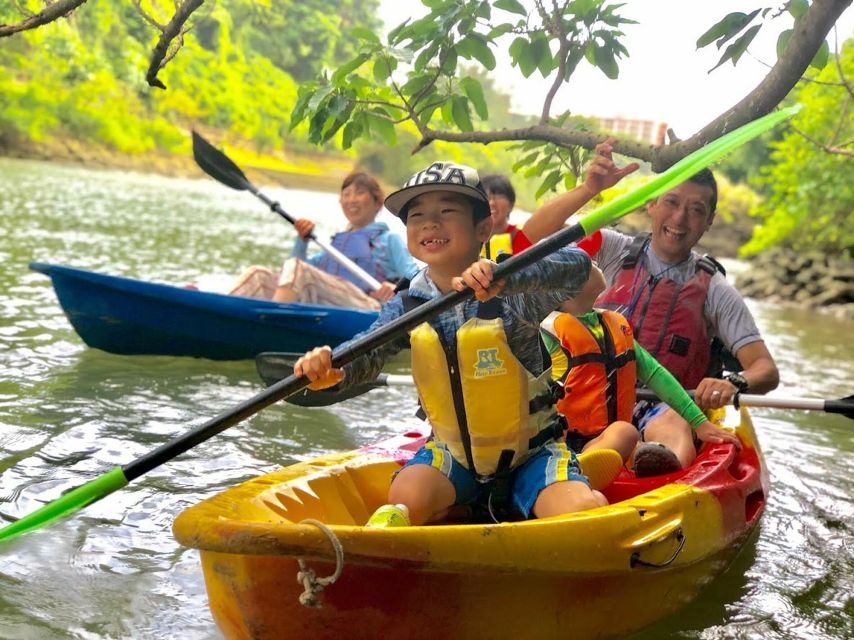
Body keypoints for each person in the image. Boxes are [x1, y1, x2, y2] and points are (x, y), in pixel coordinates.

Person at [293, 160, 622, 527]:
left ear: (483, 227)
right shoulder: (409, 303)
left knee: (578, 515)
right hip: (455, 455)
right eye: (417, 216)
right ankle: (471, 505)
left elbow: (579, 267)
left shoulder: (514, 287)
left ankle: (574, 484)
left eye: (446, 211)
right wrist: (332, 366)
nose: (430, 224)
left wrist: (509, 277)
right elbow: (367, 353)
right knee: (405, 497)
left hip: (532, 454)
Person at [524, 139, 779, 474]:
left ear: (709, 221)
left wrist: (734, 383)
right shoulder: (610, 249)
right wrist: (588, 189)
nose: (680, 218)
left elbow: (764, 369)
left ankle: (654, 462)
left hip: (665, 404)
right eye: (671, 202)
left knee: (671, 420)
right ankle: (589, 463)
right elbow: (530, 238)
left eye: (696, 210)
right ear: (652, 204)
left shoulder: (716, 291)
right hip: (587, 400)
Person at [540, 265, 741, 472]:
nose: (592, 263)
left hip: (609, 438)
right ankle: (575, 471)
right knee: (624, 433)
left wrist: (699, 422)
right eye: (582, 263)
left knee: (625, 433)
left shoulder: (611, 325)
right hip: (565, 440)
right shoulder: (547, 335)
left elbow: (656, 374)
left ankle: (652, 467)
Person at [228, 171, 419, 310]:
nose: (351, 199)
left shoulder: (389, 240)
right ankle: (218, 313)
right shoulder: (333, 247)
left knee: (298, 268)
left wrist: (395, 289)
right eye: (346, 194)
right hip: (329, 303)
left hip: (370, 307)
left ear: (377, 203)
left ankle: (269, 325)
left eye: (359, 193)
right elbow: (292, 273)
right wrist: (301, 240)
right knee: (258, 274)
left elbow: (417, 278)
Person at [479, 174, 533, 259]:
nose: (492, 203)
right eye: (487, 197)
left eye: (498, 196)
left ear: (511, 205)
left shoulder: (521, 236)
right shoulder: (471, 239)